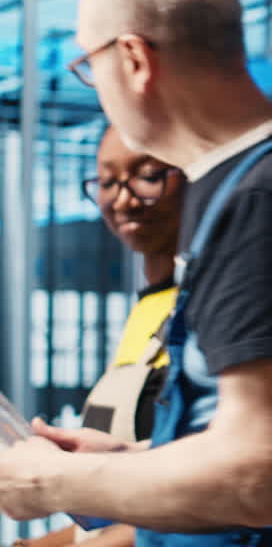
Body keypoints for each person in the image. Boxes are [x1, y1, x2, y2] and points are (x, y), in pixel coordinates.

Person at [0, 0, 272, 547]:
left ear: (133, 60)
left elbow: (255, 479)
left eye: (87, 66)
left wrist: (54, 482)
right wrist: (127, 457)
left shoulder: (269, 200)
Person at [11, 125, 185, 547]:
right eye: (107, 182)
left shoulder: (206, 311)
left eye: (147, 175)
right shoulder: (147, 310)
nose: (123, 198)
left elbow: (199, 501)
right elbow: (121, 514)